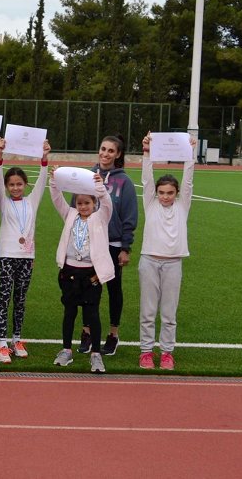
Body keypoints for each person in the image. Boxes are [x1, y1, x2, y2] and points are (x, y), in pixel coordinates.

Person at [138, 133, 195, 371]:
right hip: (149, 261)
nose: (165, 197)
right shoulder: (150, 202)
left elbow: (189, 181)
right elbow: (147, 180)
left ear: (177, 193)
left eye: (170, 193)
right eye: (162, 192)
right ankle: (146, 352)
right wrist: (147, 152)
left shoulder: (183, 205)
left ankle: (167, 353)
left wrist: (190, 154)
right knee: (148, 311)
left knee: (169, 313)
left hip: (173, 263)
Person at [78, 135, 138, 356]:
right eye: (103, 149)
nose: (105, 154)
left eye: (111, 151)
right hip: (89, 242)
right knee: (88, 288)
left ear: (118, 154)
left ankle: (113, 334)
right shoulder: (86, 176)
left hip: (112, 244)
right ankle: (86, 332)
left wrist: (125, 247)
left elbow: (130, 216)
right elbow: (77, 206)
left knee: (113, 289)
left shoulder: (125, 182)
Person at [0, 137, 50, 362]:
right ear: (6, 187)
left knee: (20, 299)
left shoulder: (32, 201)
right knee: (4, 297)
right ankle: (2, 343)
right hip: (7, 256)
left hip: (26, 257)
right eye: (11, 184)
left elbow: (43, 180)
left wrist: (44, 158)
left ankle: (17, 339)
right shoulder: (3, 202)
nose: (15, 187)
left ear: (25, 184)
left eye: (19, 184)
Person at [49, 170, 114, 373]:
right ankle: (66, 349)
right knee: (69, 312)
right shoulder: (70, 215)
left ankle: (96, 354)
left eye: (87, 203)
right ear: (75, 204)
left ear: (94, 203)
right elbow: (57, 198)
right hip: (69, 271)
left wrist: (100, 187)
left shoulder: (100, 218)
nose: (83, 207)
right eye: (79, 203)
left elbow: (108, 203)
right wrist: (54, 180)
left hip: (91, 274)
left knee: (92, 314)